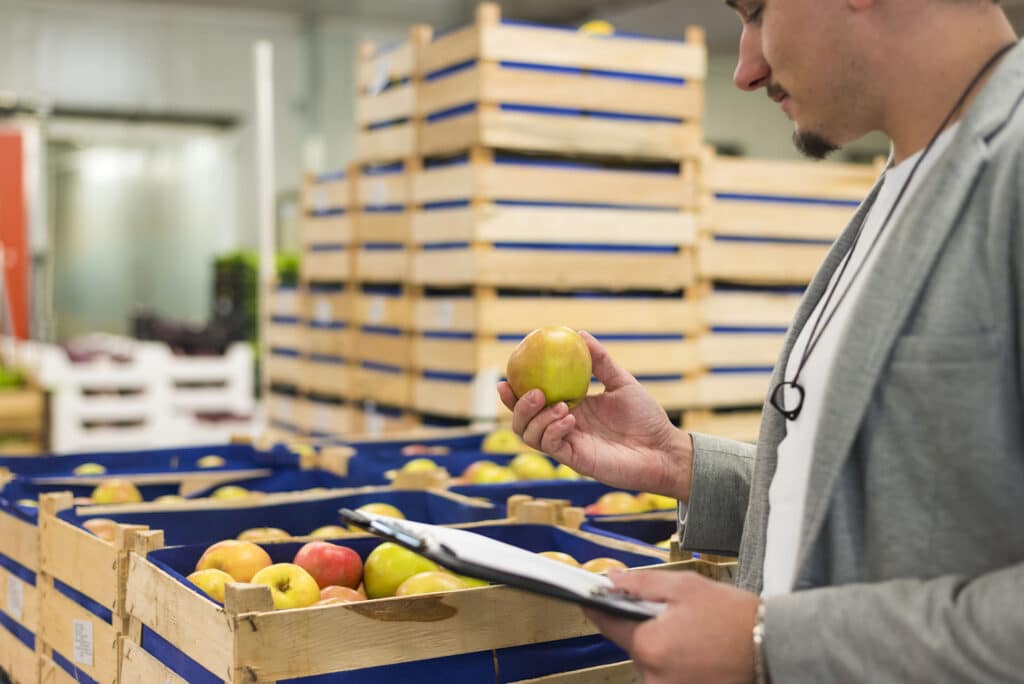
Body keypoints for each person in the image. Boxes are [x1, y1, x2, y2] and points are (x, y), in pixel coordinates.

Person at [498, 0, 1024, 681]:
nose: (745, 69)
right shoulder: (899, 186)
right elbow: (918, 514)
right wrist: (678, 463)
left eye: (757, 11)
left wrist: (771, 644)